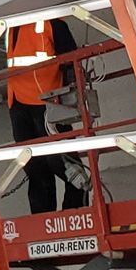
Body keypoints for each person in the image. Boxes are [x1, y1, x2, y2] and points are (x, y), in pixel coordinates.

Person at [6, 19, 87, 214]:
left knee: (65, 166)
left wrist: (69, 98)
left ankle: (73, 215)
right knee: (35, 168)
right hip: (18, 103)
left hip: (47, 103)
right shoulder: (11, 25)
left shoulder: (52, 23)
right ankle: (43, 220)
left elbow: (71, 60)